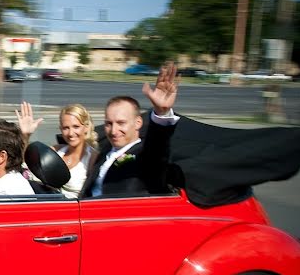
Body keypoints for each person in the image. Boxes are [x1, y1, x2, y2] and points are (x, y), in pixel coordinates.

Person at [81, 61, 180, 198]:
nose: (114, 131)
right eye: (108, 124)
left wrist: (161, 113)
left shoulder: (146, 155)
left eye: (121, 123)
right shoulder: (104, 150)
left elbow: (158, 146)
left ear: (138, 122)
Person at [15, 101, 97, 198]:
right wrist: (25, 135)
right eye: (66, 128)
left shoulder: (93, 158)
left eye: (76, 127)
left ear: (86, 128)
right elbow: (24, 164)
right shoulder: (56, 151)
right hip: (47, 203)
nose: (71, 133)